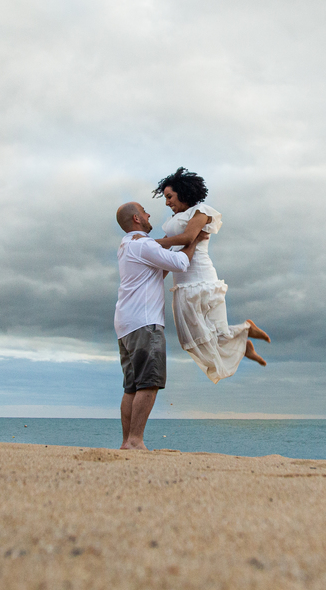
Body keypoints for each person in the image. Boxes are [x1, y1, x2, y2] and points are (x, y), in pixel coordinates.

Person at [153, 167, 270, 383]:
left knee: (216, 334)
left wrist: (154, 242)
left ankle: (246, 334)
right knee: (192, 339)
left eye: (169, 196)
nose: (167, 202)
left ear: (183, 192)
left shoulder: (201, 212)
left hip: (202, 279)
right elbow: (170, 251)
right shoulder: (172, 221)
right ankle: (244, 337)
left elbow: (188, 238)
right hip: (182, 283)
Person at [113, 201, 202, 450]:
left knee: (131, 386)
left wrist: (170, 240)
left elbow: (157, 271)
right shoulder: (142, 245)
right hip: (145, 323)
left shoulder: (127, 245)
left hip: (126, 324)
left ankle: (126, 442)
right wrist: (194, 241)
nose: (149, 213)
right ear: (137, 219)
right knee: (149, 382)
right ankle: (135, 440)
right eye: (144, 211)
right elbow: (181, 264)